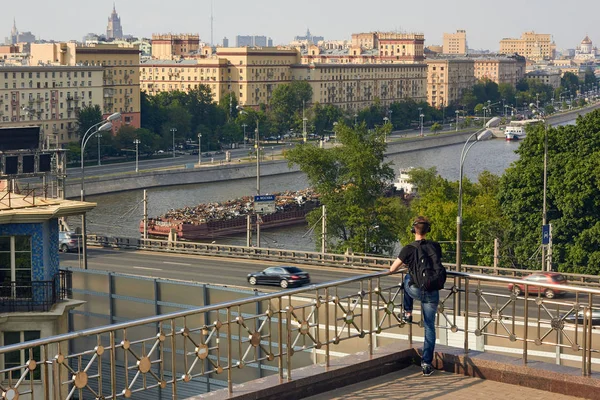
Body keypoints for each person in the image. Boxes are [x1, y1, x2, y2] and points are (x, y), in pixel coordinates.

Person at [389, 216, 442, 377]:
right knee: (429, 326)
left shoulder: (408, 248)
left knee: (406, 279)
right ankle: (426, 363)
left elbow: (392, 269)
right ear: (428, 231)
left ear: (414, 230)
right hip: (433, 290)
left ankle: (407, 312)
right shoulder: (435, 246)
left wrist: (409, 264)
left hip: (416, 290)